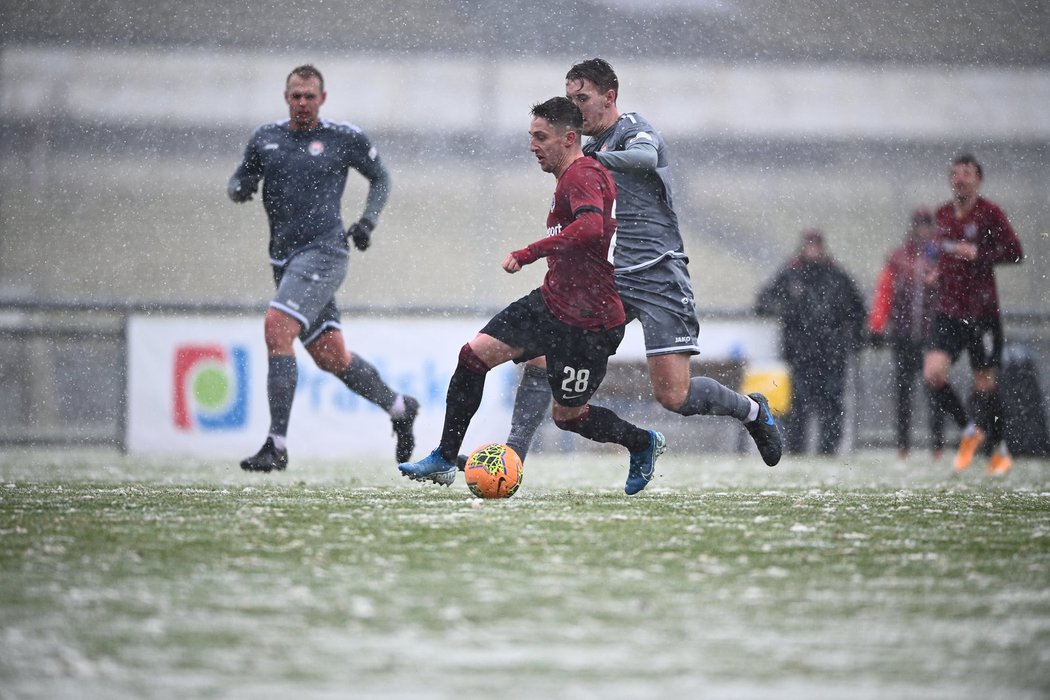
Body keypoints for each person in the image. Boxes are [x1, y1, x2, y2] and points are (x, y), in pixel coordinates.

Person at [496, 58, 782, 471]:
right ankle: (510, 460)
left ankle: (753, 412)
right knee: (542, 350)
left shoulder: (632, 128)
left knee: (674, 396)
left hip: (658, 274)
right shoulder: (582, 150)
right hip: (607, 280)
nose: (576, 108)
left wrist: (593, 164)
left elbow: (646, 158)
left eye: (583, 98)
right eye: (571, 100)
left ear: (609, 97)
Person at [399, 96, 666, 495]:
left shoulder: (582, 175)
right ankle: (443, 457)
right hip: (551, 303)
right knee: (473, 357)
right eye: (531, 136)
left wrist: (530, 252)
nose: (532, 146)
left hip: (589, 324)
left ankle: (643, 443)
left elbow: (591, 228)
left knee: (568, 416)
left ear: (569, 138)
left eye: (541, 137)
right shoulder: (573, 175)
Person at [228, 64, 418, 472]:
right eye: (296, 96)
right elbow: (239, 179)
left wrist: (368, 221)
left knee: (277, 327)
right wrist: (240, 187)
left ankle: (276, 445)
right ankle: (400, 407)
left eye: (309, 96)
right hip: (284, 260)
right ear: (286, 98)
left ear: (323, 99)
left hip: (325, 253)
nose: (302, 103)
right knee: (332, 357)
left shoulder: (341, 137)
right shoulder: (266, 138)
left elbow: (381, 177)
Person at [923, 153, 1024, 475]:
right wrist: (936, 271)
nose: (960, 179)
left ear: (978, 180)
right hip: (949, 310)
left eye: (966, 173)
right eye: (955, 173)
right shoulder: (942, 214)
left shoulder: (990, 213)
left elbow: (1015, 252)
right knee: (933, 373)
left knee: (985, 384)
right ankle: (970, 431)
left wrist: (980, 254)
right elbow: (938, 250)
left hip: (981, 312)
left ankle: (998, 450)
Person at [755, 229, 866, 456]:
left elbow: (857, 310)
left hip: (832, 352)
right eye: (809, 245)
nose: (813, 250)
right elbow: (764, 301)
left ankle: (828, 449)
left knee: (831, 402)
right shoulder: (791, 274)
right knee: (797, 404)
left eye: (816, 245)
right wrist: (783, 309)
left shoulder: (836, 276)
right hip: (798, 352)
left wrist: (852, 338)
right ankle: (796, 449)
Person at [868, 208, 945, 459]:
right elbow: (884, 293)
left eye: (926, 225)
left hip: (933, 335)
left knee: (935, 391)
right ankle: (903, 446)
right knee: (904, 392)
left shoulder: (941, 258)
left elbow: (952, 295)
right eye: (919, 225)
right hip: (903, 335)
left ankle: (937, 445)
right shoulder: (899, 259)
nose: (922, 230)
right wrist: (878, 326)